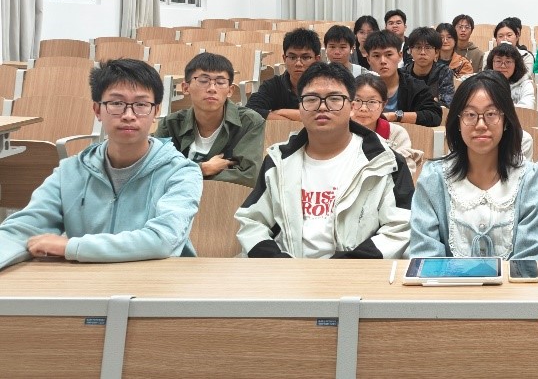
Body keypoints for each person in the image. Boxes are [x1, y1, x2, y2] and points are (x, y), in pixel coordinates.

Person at [0, 59, 202, 271]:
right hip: (88, 282)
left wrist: (72, 247)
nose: (128, 115)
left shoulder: (181, 172)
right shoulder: (69, 172)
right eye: (116, 103)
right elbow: (21, 229)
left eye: (141, 105)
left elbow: (162, 239)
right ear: (97, 110)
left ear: (156, 111)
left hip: (157, 282)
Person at [236, 63, 412, 259]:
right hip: (286, 271)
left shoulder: (385, 162)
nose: (322, 107)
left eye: (334, 99)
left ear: (352, 106)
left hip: (357, 272)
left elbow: (400, 227)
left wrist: (344, 266)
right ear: (300, 106)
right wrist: (280, 264)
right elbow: (253, 223)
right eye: (311, 99)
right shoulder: (278, 161)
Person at [408, 72, 538, 260]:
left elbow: (532, 259)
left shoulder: (528, 177)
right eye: (470, 114)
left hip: (515, 281)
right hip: (445, 280)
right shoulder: (433, 177)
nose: (481, 124)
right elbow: (425, 256)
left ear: (506, 121)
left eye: (491, 114)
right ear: (458, 122)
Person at [154, 53, 265, 187]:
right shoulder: (170, 125)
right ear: (185, 87)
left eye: (220, 82)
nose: (212, 88)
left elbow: (248, 177)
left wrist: (185, 175)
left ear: (230, 90)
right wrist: (203, 169)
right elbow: (155, 173)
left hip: (226, 198)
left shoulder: (249, 122)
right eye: (203, 81)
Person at [365, 30, 443, 127]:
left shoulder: (416, 87)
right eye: (376, 56)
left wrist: (395, 116)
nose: (383, 61)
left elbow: (434, 116)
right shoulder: (361, 87)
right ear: (368, 59)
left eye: (389, 55)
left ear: (400, 55)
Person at [351, 74, 424, 173]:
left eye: (372, 102)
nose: (363, 108)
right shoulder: (337, 132)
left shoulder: (396, 134)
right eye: (357, 100)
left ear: (383, 105)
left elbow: (404, 174)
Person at [246, 28, 321, 120]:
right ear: (284, 59)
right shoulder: (273, 85)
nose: (298, 63)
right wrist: (287, 122)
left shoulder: (327, 85)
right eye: (292, 57)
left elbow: (330, 115)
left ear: (317, 60)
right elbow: (250, 111)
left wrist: (282, 112)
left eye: (305, 57)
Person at [406, 26, 455, 107]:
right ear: (411, 51)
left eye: (428, 47)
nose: (422, 52)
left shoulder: (444, 72)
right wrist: (432, 101)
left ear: (436, 52)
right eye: (418, 47)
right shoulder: (403, 73)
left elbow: (447, 104)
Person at [487, 42, 536, 109]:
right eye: (498, 61)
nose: (503, 66)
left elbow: (527, 108)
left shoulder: (525, 84)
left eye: (508, 62)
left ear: (516, 65)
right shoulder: (484, 83)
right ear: (491, 63)